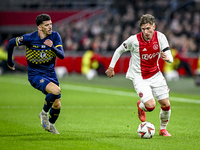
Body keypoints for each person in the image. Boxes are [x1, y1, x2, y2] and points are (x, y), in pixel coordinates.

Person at [105, 14, 173, 136]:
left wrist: (168, 59)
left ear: (154, 26)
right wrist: (111, 67)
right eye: (143, 29)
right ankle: (141, 106)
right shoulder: (134, 40)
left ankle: (163, 129)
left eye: (148, 28)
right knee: (151, 106)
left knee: (166, 104)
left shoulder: (160, 37)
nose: (145, 32)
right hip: (139, 77)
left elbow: (170, 56)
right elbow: (119, 50)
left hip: (156, 75)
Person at [7, 14, 65, 134]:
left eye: (51, 24)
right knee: (56, 91)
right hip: (35, 75)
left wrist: (52, 47)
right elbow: (11, 43)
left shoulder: (55, 36)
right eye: (47, 25)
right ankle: (43, 113)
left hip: (50, 73)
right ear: (39, 27)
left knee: (57, 104)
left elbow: (62, 55)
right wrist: (9, 61)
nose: (50, 27)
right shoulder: (30, 38)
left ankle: (51, 125)